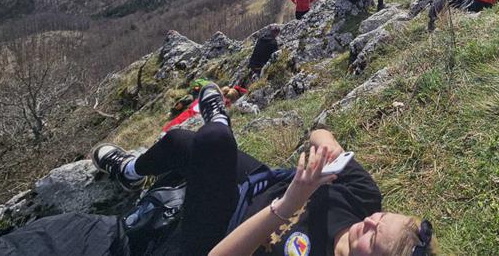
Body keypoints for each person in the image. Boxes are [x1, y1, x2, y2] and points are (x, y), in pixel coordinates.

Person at [91, 83, 437, 256]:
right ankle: (130, 171)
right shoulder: (363, 198)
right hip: (258, 183)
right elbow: (316, 134)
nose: (371, 221)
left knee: (213, 142)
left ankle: (219, 120)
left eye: (373, 237)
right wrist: (327, 141)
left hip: (221, 230)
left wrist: (289, 204)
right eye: (382, 217)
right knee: (182, 140)